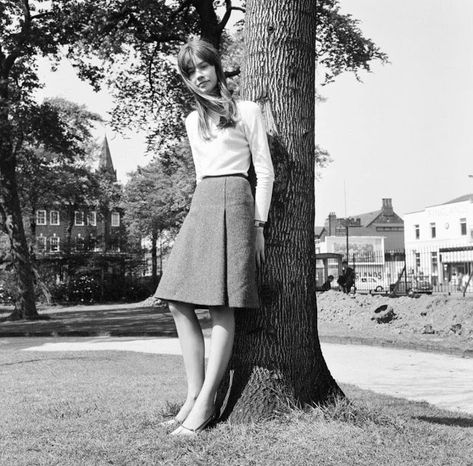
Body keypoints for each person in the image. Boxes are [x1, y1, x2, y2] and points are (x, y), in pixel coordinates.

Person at [153, 38, 274, 436]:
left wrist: (259, 225)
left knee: (223, 305)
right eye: (190, 72)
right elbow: (201, 172)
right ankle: (191, 395)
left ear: (217, 66)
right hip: (203, 200)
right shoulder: (191, 120)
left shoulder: (248, 111)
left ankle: (206, 403)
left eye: (203, 66)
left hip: (237, 199)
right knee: (176, 300)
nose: (198, 76)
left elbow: (264, 171)